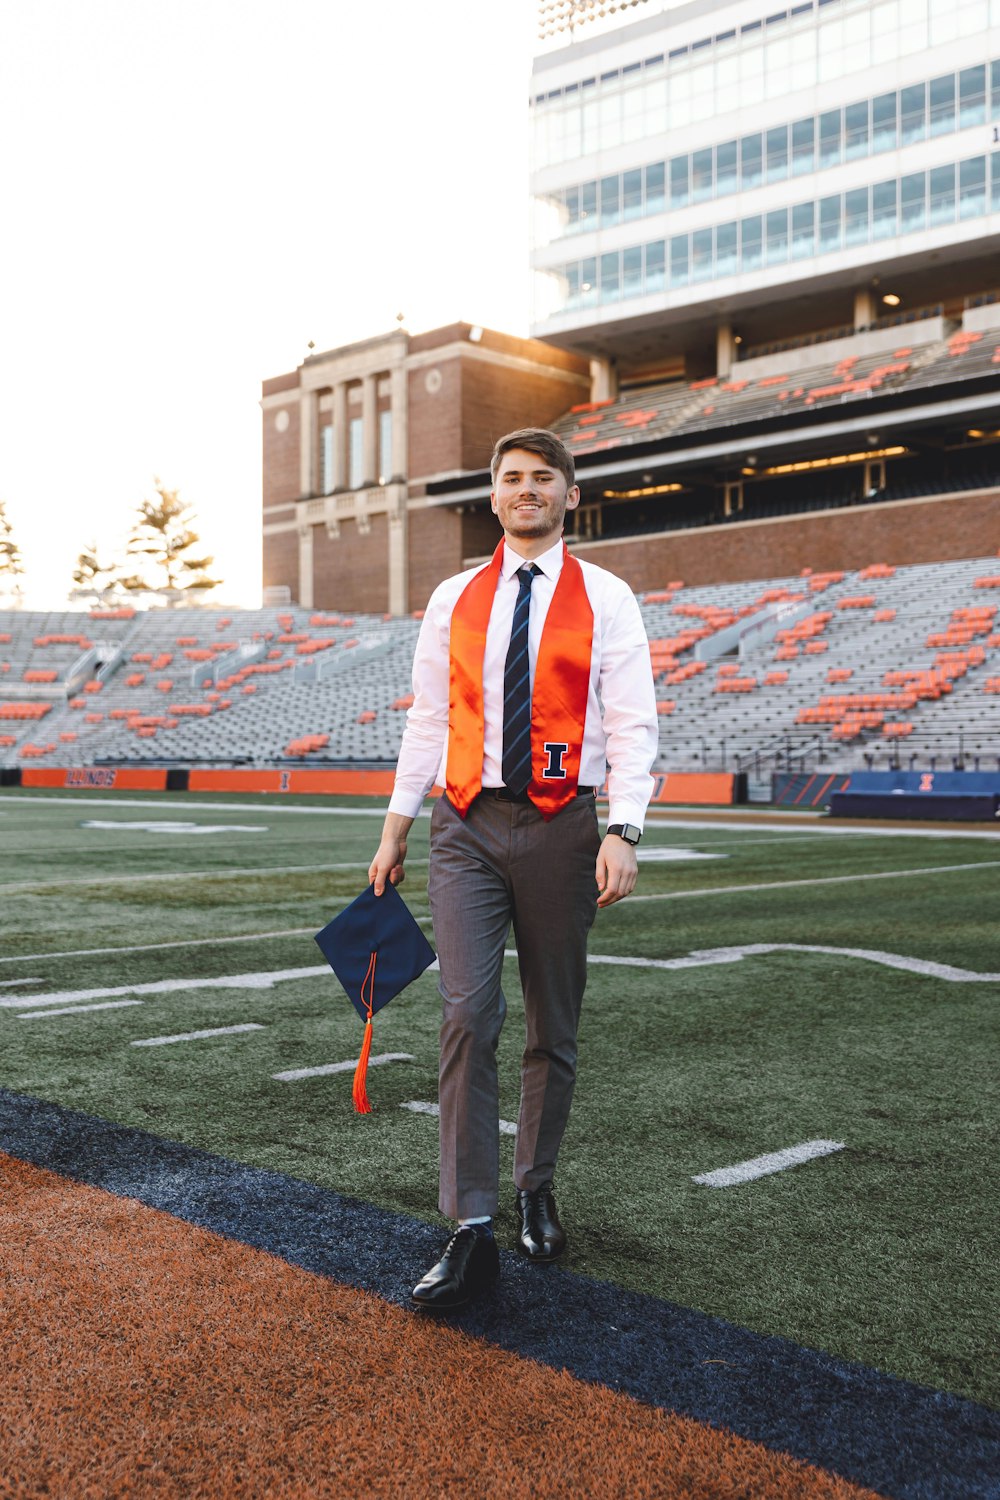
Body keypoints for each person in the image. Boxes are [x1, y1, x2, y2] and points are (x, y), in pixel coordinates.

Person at [368, 427, 657, 1311]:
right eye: (511, 479)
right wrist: (394, 826)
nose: (525, 490)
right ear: (492, 497)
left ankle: (535, 1182)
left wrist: (626, 829)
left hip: (563, 825)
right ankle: (469, 1225)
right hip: (464, 824)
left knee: (551, 1021)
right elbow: (428, 719)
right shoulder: (453, 595)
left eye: (543, 478)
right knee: (466, 1011)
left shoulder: (607, 598)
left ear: (571, 495)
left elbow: (633, 718)